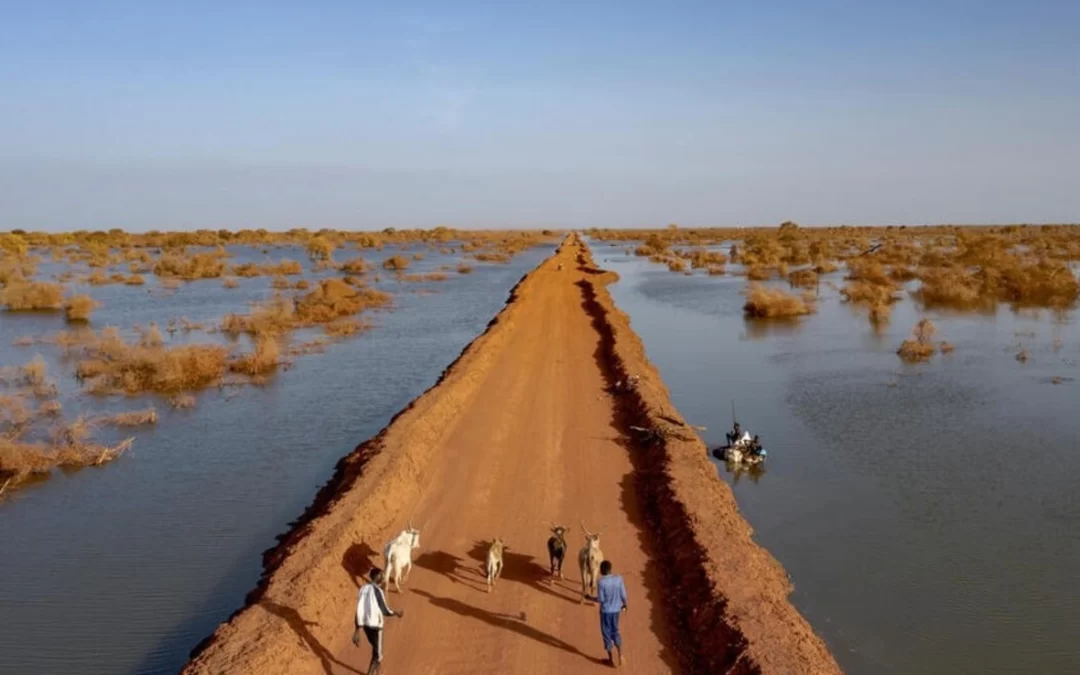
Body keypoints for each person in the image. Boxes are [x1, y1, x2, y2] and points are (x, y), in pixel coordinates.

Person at [353, 567, 404, 675]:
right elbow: (385, 611)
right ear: (377, 577)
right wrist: (396, 613)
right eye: (382, 575)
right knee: (379, 655)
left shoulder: (363, 589)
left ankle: (378, 672)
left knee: (375, 649)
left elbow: (359, 609)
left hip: (366, 626)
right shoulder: (378, 591)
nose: (383, 577)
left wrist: (357, 630)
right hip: (376, 627)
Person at [595, 560, 628, 667]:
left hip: (605, 612)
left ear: (601, 570)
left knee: (606, 634)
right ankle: (620, 655)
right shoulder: (619, 579)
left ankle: (611, 660)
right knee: (615, 630)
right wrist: (625, 604)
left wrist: (590, 598)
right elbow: (623, 594)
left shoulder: (601, 582)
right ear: (610, 569)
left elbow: (601, 599)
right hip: (616, 611)